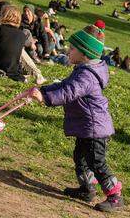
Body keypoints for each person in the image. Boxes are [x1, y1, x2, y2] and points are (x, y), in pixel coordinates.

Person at [28, 24, 124, 212]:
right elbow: (65, 84)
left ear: (85, 53)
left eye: (72, 48)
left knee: (96, 162)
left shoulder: (87, 76)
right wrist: (43, 90)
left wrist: (46, 99)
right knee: (80, 157)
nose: (68, 51)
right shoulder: (83, 69)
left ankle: (115, 195)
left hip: (95, 128)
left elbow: (69, 92)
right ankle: (87, 188)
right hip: (86, 126)